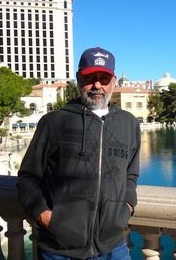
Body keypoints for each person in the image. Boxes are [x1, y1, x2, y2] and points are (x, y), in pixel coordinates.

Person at [16, 47, 140, 260]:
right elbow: (28, 177)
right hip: (59, 250)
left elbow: (131, 174)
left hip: (114, 247)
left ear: (114, 81)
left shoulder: (128, 124)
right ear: (78, 79)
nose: (97, 85)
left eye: (104, 78)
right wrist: (45, 217)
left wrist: (126, 207)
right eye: (90, 78)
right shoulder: (53, 122)